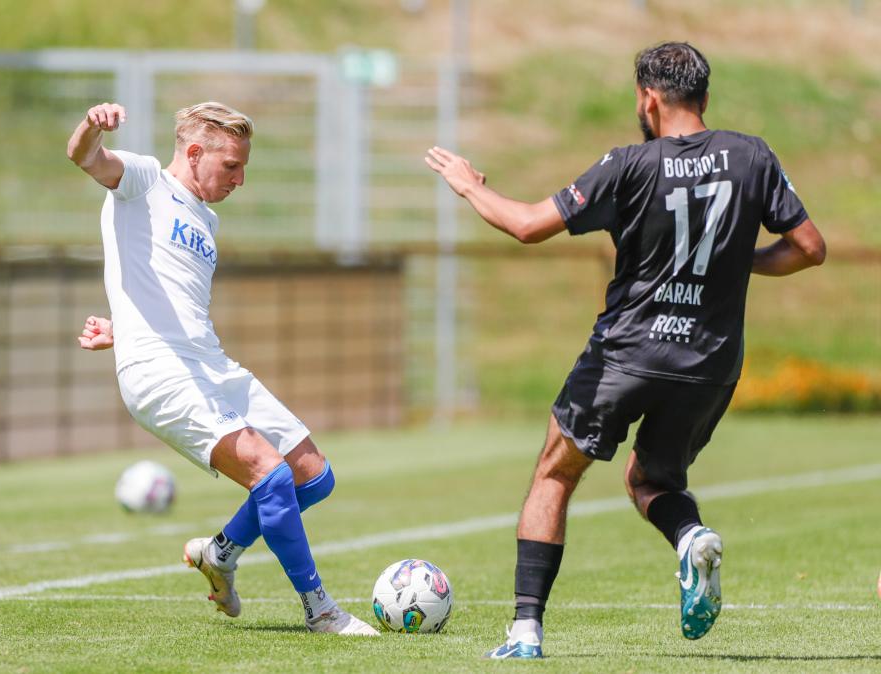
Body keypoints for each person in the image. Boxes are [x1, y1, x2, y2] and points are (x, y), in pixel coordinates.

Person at [425, 41, 825, 659]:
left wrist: (470, 186)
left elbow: (529, 224)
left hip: (627, 354)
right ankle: (690, 537)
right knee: (652, 478)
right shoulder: (753, 156)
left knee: (554, 473)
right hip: (710, 363)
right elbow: (808, 248)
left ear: (649, 97)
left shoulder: (629, 164)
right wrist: (735, 263)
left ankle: (525, 631)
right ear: (705, 98)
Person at [67, 101, 377, 635]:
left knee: (313, 476)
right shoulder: (143, 179)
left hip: (208, 363)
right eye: (231, 166)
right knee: (270, 474)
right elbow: (85, 157)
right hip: (161, 372)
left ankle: (219, 552)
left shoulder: (206, 216)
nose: (240, 179)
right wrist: (92, 127)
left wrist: (124, 327)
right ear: (193, 152)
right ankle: (321, 609)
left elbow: (161, 286)